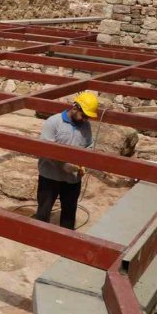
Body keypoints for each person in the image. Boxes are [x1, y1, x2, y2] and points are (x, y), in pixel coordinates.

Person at [35, 91, 98, 230]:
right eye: (84, 115)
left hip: (72, 179)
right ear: (75, 108)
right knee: (43, 211)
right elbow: (45, 150)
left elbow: (88, 145)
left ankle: (66, 241)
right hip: (50, 176)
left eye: (88, 117)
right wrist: (64, 164)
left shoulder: (85, 126)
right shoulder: (54, 122)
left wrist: (84, 163)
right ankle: (38, 238)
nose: (85, 119)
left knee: (69, 213)